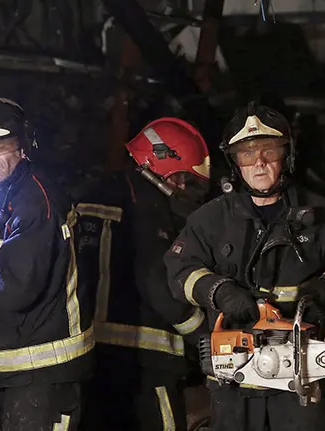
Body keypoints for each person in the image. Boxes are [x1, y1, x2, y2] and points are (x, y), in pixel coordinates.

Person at [164, 102, 325, 431]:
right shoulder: (210, 220)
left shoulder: (320, 214)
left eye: (268, 150)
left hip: (302, 375)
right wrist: (220, 292)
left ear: (286, 155)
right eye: (247, 153)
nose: (258, 162)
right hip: (232, 381)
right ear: (235, 162)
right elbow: (179, 270)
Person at [0, 96, 94, 430]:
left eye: (0, 145)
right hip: (17, 374)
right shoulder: (8, 196)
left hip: (43, 375)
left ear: (24, 146)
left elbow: (14, 289)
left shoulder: (34, 201)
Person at [77, 117, 212, 430]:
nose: (182, 190)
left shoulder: (93, 193)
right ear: (158, 163)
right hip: (148, 359)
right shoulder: (147, 203)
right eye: (181, 179)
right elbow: (157, 280)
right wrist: (203, 336)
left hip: (88, 357)